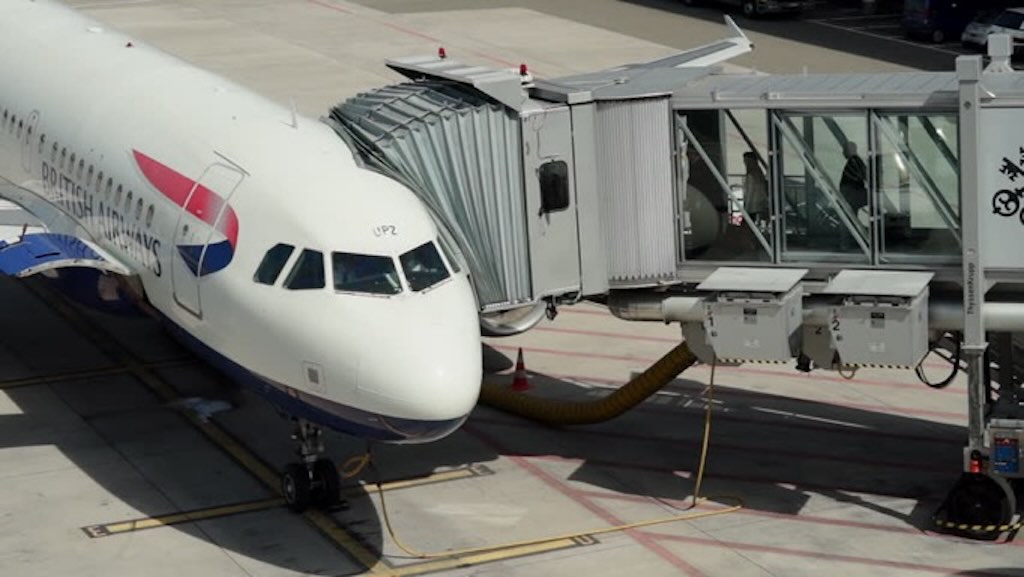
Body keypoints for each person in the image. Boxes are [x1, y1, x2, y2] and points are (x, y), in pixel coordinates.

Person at [839, 141, 867, 215]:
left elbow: (862, 176)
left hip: (853, 195)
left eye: (844, 150)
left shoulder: (853, 162)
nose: (843, 152)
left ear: (849, 150)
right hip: (853, 195)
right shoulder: (856, 161)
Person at [742, 151, 769, 226]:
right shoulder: (758, 171)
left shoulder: (751, 175)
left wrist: (746, 208)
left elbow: (750, 193)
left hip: (752, 207)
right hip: (759, 205)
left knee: (747, 226)